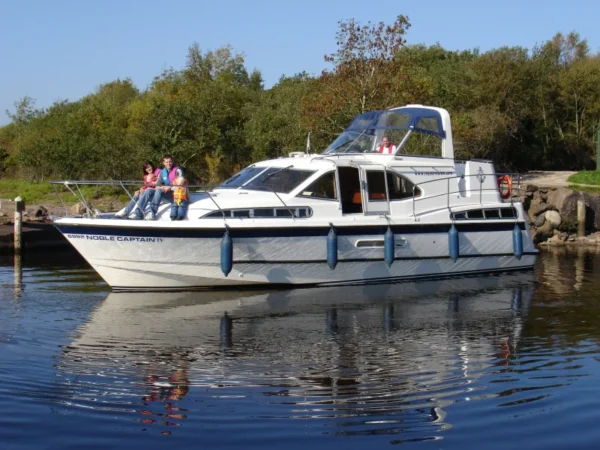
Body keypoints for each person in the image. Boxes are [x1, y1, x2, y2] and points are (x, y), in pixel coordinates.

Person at [144, 154, 184, 220]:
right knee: (152, 190)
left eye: (170, 161)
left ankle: (152, 212)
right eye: (167, 162)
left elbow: (180, 184)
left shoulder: (178, 171)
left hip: (176, 195)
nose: (169, 163)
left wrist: (170, 188)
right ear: (164, 163)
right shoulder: (163, 172)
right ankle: (149, 213)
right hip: (167, 194)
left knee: (159, 190)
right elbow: (158, 183)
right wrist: (153, 185)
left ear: (172, 161)